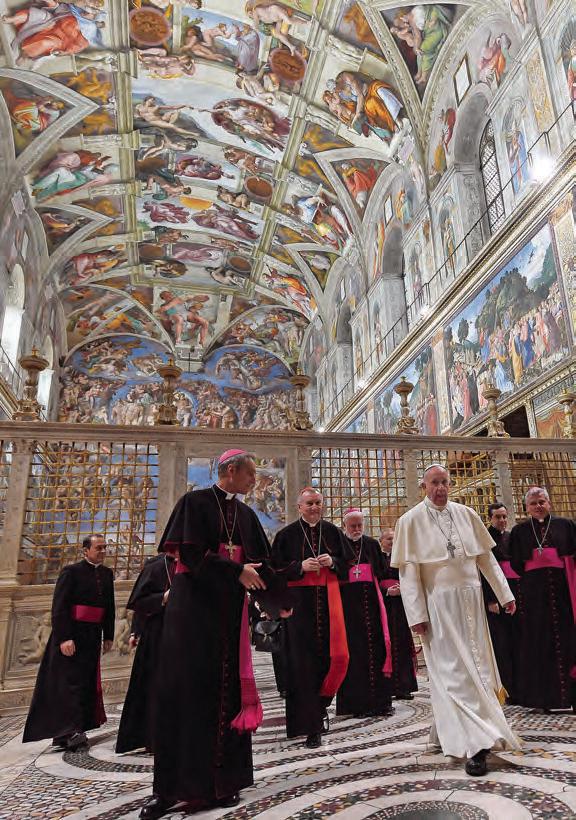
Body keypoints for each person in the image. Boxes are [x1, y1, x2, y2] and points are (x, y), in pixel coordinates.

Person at [139, 450, 292, 820]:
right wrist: (235, 570)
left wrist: (279, 600)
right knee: (185, 697)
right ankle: (169, 789)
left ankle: (225, 783)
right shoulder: (194, 503)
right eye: (251, 473)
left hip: (229, 619)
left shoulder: (246, 514)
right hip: (192, 617)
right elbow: (188, 554)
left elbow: (262, 564)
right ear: (230, 470)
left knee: (226, 695)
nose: (255, 481)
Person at [392, 464, 520, 777]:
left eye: (445, 483)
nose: (440, 488)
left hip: (472, 603)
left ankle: (449, 729)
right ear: (424, 485)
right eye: (434, 483)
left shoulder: (466, 514)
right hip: (439, 606)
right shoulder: (409, 522)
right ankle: (476, 745)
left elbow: (485, 559)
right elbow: (409, 575)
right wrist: (416, 615)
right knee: (453, 671)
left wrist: (505, 594)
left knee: (477, 666)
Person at [272, 487, 350, 748]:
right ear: (299, 507)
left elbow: (347, 564)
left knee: (331, 658)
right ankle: (309, 725)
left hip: (329, 604)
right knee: (301, 664)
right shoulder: (285, 535)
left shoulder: (332, 532)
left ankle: (322, 705)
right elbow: (274, 568)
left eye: (318, 502)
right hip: (299, 608)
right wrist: (299, 567)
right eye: (309, 504)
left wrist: (333, 562)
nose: (315, 507)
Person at [23, 534, 115, 750]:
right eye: (98, 548)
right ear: (85, 551)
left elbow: (109, 607)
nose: (103, 551)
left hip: (92, 637)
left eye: (105, 548)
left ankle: (76, 728)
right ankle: (68, 731)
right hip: (71, 636)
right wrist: (64, 637)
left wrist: (108, 635)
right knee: (68, 685)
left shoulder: (107, 574)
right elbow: (59, 607)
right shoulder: (71, 572)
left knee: (85, 683)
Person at [509, 487, 576, 713]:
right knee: (538, 644)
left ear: (549, 503)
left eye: (542, 501)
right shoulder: (519, 531)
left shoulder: (565, 525)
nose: (538, 506)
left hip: (563, 594)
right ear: (526, 507)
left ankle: (571, 697)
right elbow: (517, 565)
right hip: (534, 596)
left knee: (569, 641)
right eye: (534, 503)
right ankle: (542, 699)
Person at [115, 545, 178, 754]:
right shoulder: (156, 566)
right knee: (155, 686)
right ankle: (154, 736)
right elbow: (140, 602)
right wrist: (163, 598)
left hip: (186, 634)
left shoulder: (196, 565)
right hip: (158, 636)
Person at [336, 509, 393, 718]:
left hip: (372, 605)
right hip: (348, 608)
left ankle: (381, 703)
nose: (357, 529)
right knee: (355, 655)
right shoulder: (338, 544)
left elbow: (382, 572)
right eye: (353, 526)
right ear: (345, 526)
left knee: (376, 650)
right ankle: (356, 705)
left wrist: (387, 586)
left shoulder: (371, 544)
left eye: (360, 525)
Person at [483, 502, 521, 704]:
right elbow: (484, 572)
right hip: (495, 599)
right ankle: (505, 689)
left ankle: (519, 688)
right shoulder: (485, 539)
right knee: (501, 645)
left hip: (513, 594)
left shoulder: (510, 537)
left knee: (516, 642)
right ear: (490, 518)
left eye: (505, 516)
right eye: (498, 517)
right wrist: (490, 599)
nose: (502, 520)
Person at [380, 527, 418, 701]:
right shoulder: (377, 558)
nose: (392, 542)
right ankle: (386, 688)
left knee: (402, 644)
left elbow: (412, 579)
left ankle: (403, 687)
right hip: (384, 606)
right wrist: (387, 591)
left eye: (395, 539)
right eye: (389, 539)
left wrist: (403, 589)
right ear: (381, 541)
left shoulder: (403, 559)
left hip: (401, 606)